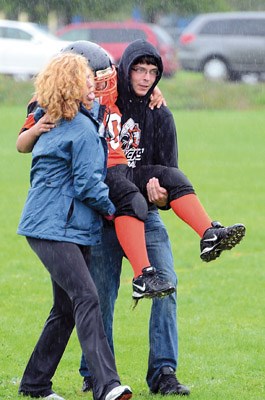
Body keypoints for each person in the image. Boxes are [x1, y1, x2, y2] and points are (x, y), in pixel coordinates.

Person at [17, 52, 132, 400]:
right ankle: (107, 386)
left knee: (66, 307)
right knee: (86, 296)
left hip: (57, 226)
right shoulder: (78, 128)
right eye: (86, 80)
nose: (93, 84)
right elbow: (87, 184)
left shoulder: (57, 119)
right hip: (54, 228)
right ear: (71, 85)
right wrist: (114, 209)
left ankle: (35, 384)